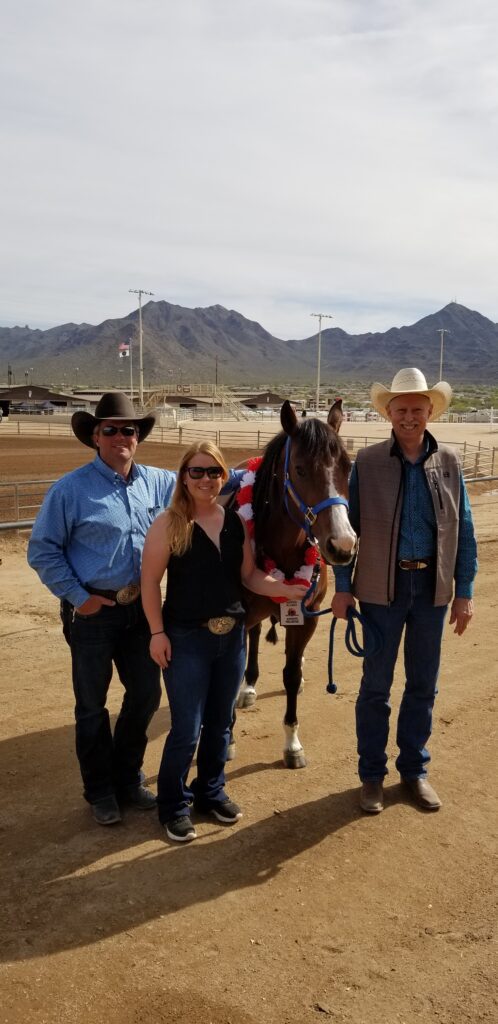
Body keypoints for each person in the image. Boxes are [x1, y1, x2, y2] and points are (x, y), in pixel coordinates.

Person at [27, 392, 244, 826]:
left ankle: (127, 778)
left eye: (129, 429)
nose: (121, 436)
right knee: (91, 704)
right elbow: (43, 550)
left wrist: (272, 464)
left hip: (141, 611)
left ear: (138, 437)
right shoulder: (69, 490)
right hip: (93, 611)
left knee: (144, 697)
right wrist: (78, 596)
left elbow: (211, 476)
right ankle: (100, 790)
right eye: (111, 429)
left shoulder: (158, 482)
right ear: (95, 436)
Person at [141, 440, 310, 843]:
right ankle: (173, 805)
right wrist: (157, 632)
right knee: (186, 727)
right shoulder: (169, 523)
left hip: (230, 636)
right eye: (196, 471)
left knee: (220, 723)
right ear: (184, 476)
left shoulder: (235, 521)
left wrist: (287, 590)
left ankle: (210, 793)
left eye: (214, 472)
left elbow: (250, 576)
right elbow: (149, 582)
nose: (205, 479)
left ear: (223, 476)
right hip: (185, 638)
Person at [332, 368, 477, 814]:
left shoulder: (450, 462)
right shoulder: (369, 464)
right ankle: (372, 775)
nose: (409, 417)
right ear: (389, 413)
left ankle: (414, 771)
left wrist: (464, 591)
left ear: (430, 412)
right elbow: (346, 529)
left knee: (422, 686)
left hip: (431, 590)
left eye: (417, 409)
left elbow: (465, 531)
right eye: (401, 409)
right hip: (380, 589)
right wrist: (342, 587)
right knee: (375, 687)